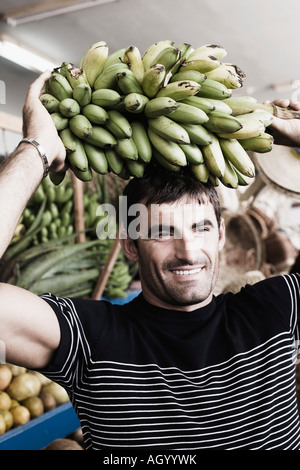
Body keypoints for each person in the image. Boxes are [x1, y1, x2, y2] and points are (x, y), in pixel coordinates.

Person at [0, 70, 300, 451]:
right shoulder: (90, 339)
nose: (188, 251)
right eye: (162, 232)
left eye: (201, 227)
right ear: (129, 243)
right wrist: (37, 148)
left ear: (221, 234)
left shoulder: (275, 310)